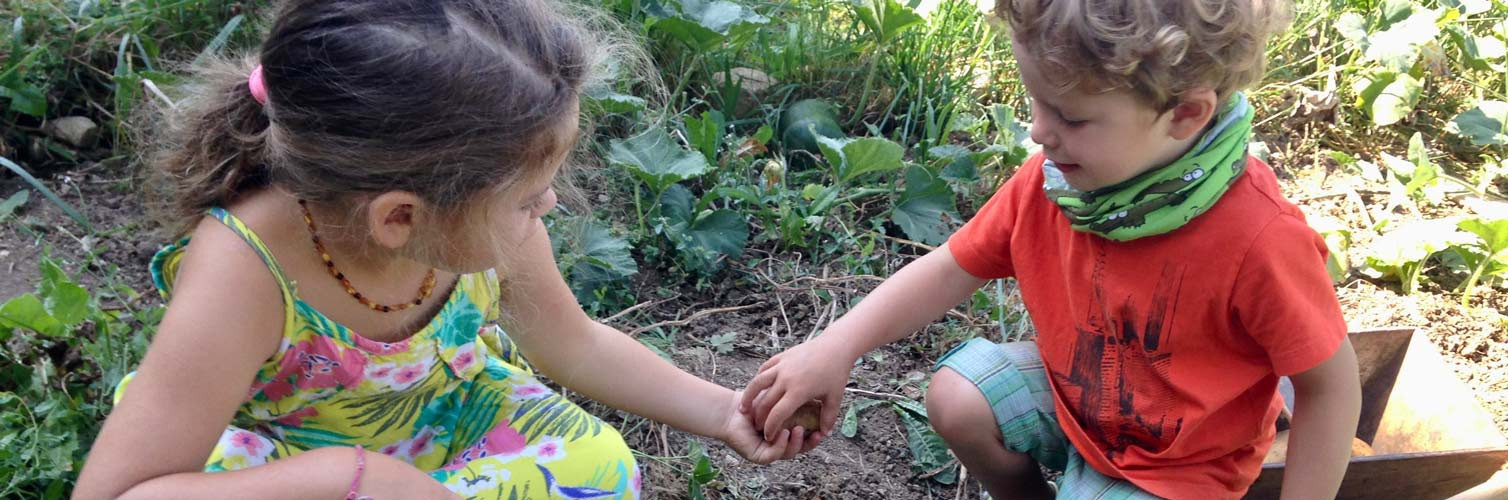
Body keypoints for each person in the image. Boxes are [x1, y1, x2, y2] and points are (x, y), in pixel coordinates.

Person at [75, 1, 815, 498]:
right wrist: (349, 479)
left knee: (598, 465)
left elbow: (576, 346)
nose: (548, 207)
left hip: (445, 422)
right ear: (401, 218)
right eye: (527, 198)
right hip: (282, 470)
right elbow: (121, 493)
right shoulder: (243, 270)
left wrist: (723, 412)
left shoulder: (481, 227)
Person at [741, 0, 1361, 498]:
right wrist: (836, 346)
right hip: (1081, 404)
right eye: (1037, 102)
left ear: (1185, 115)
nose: (1039, 131)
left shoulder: (1258, 237)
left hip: (1181, 465)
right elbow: (951, 267)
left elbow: (1330, 387)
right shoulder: (1057, 184)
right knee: (957, 397)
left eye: (1072, 117)